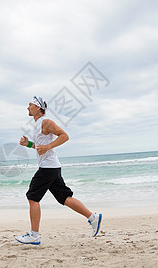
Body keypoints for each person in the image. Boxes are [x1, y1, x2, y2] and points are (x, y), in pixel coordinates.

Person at [15, 96, 102, 245]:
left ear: (38, 107)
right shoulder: (37, 125)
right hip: (52, 167)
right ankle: (93, 218)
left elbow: (65, 136)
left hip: (48, 167)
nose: (27, 107)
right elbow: (40, 146)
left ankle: (34, 235)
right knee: (64, 198)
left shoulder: (46, 122)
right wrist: (28, 144)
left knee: (32, 197)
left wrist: (48, 147)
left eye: (30, 105)